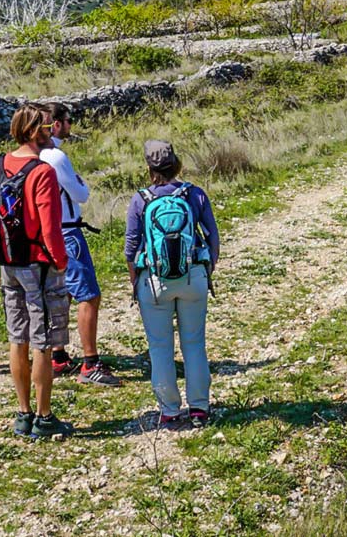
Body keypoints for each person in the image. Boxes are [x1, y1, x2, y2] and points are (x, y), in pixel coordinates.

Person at [0, 104, 72, 439]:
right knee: (43, 340)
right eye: (48, 128)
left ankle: (23, 413)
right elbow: (51, 228)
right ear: (36, 131)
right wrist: (61, 262)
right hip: (39, 264)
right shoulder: (42, 172)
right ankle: (44, 416)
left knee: (16, 338)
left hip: (7, 262)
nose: (53, 133)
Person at [124, 140, 220, 427]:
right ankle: (199, 408)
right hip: (193, 276)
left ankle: (169, 410)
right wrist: (207, 269)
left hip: (153, 280)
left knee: (160, 346)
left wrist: (135, 280)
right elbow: (213, 237)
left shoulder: (141, 199)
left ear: (149, 168)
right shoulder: (195, 194)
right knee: (194, 343)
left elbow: (130, 247)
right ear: (176, 163)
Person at [40, 102, 120, 387]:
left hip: (45, 234)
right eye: (68, 120)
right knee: (88, 295)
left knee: (60, 294)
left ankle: (57, 354)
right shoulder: (56, 157)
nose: (71, 126)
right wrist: (79, 182)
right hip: (68, 233)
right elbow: (81, 194)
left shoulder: (33, 156)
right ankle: (90, 362)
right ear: (58, 124)